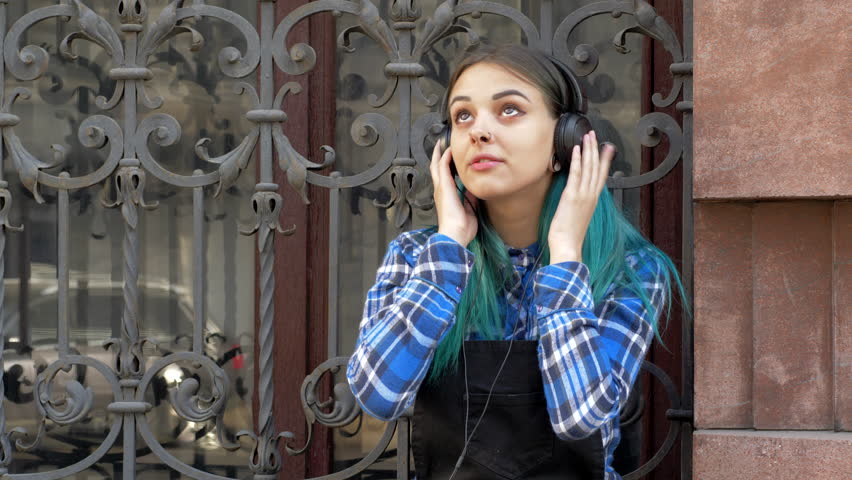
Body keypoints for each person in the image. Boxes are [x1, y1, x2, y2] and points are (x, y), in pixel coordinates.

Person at [346, 43, 687, 480]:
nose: (478, 132)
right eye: (463, 116)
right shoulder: (417, 257)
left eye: (509, 110)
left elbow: (581, 416)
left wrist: (565, 257)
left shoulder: (631, 270)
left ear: (564, 140)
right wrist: (449, 248)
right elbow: (378, 396)